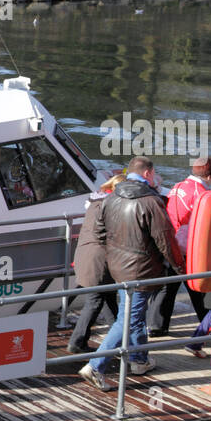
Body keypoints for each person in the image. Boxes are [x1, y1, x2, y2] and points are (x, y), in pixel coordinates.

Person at [79, 156, 183, 390]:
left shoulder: (111, 197)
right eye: (154, 173)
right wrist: (178, 267)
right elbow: (165, 239)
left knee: (133, 313)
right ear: (148, 174)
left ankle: (139, 360)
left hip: (118, 267)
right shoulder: (151, 201)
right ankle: (95, 366)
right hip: (142, 269)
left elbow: (100, 232)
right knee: (127, 320)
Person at [149, 155, 211, 335]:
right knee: (197, 286)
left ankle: (157, 326)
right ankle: (209, 323)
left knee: (167, 286)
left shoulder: (177, 187)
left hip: (169, 244)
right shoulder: (203, 194)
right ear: (209, 177)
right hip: (189, 247)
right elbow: (208, 223)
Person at [67, 172, 126, 353]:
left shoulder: (95, 203)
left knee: (107, 297)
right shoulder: (110, 206)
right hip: (99, 260)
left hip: (86, 255)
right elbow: (108, 235)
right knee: (95, 301)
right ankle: (77, 342)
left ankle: (121, 338)